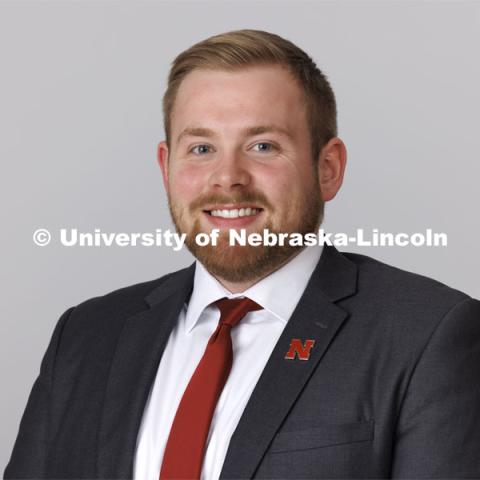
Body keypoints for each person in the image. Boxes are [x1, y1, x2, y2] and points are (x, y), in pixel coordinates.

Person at [4, 29, 480, 480]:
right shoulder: (85, 337)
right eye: (202, 147)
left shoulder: (429, 335)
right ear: (166, 167)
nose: (228, 177)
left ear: (328, 168)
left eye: (263, 145)